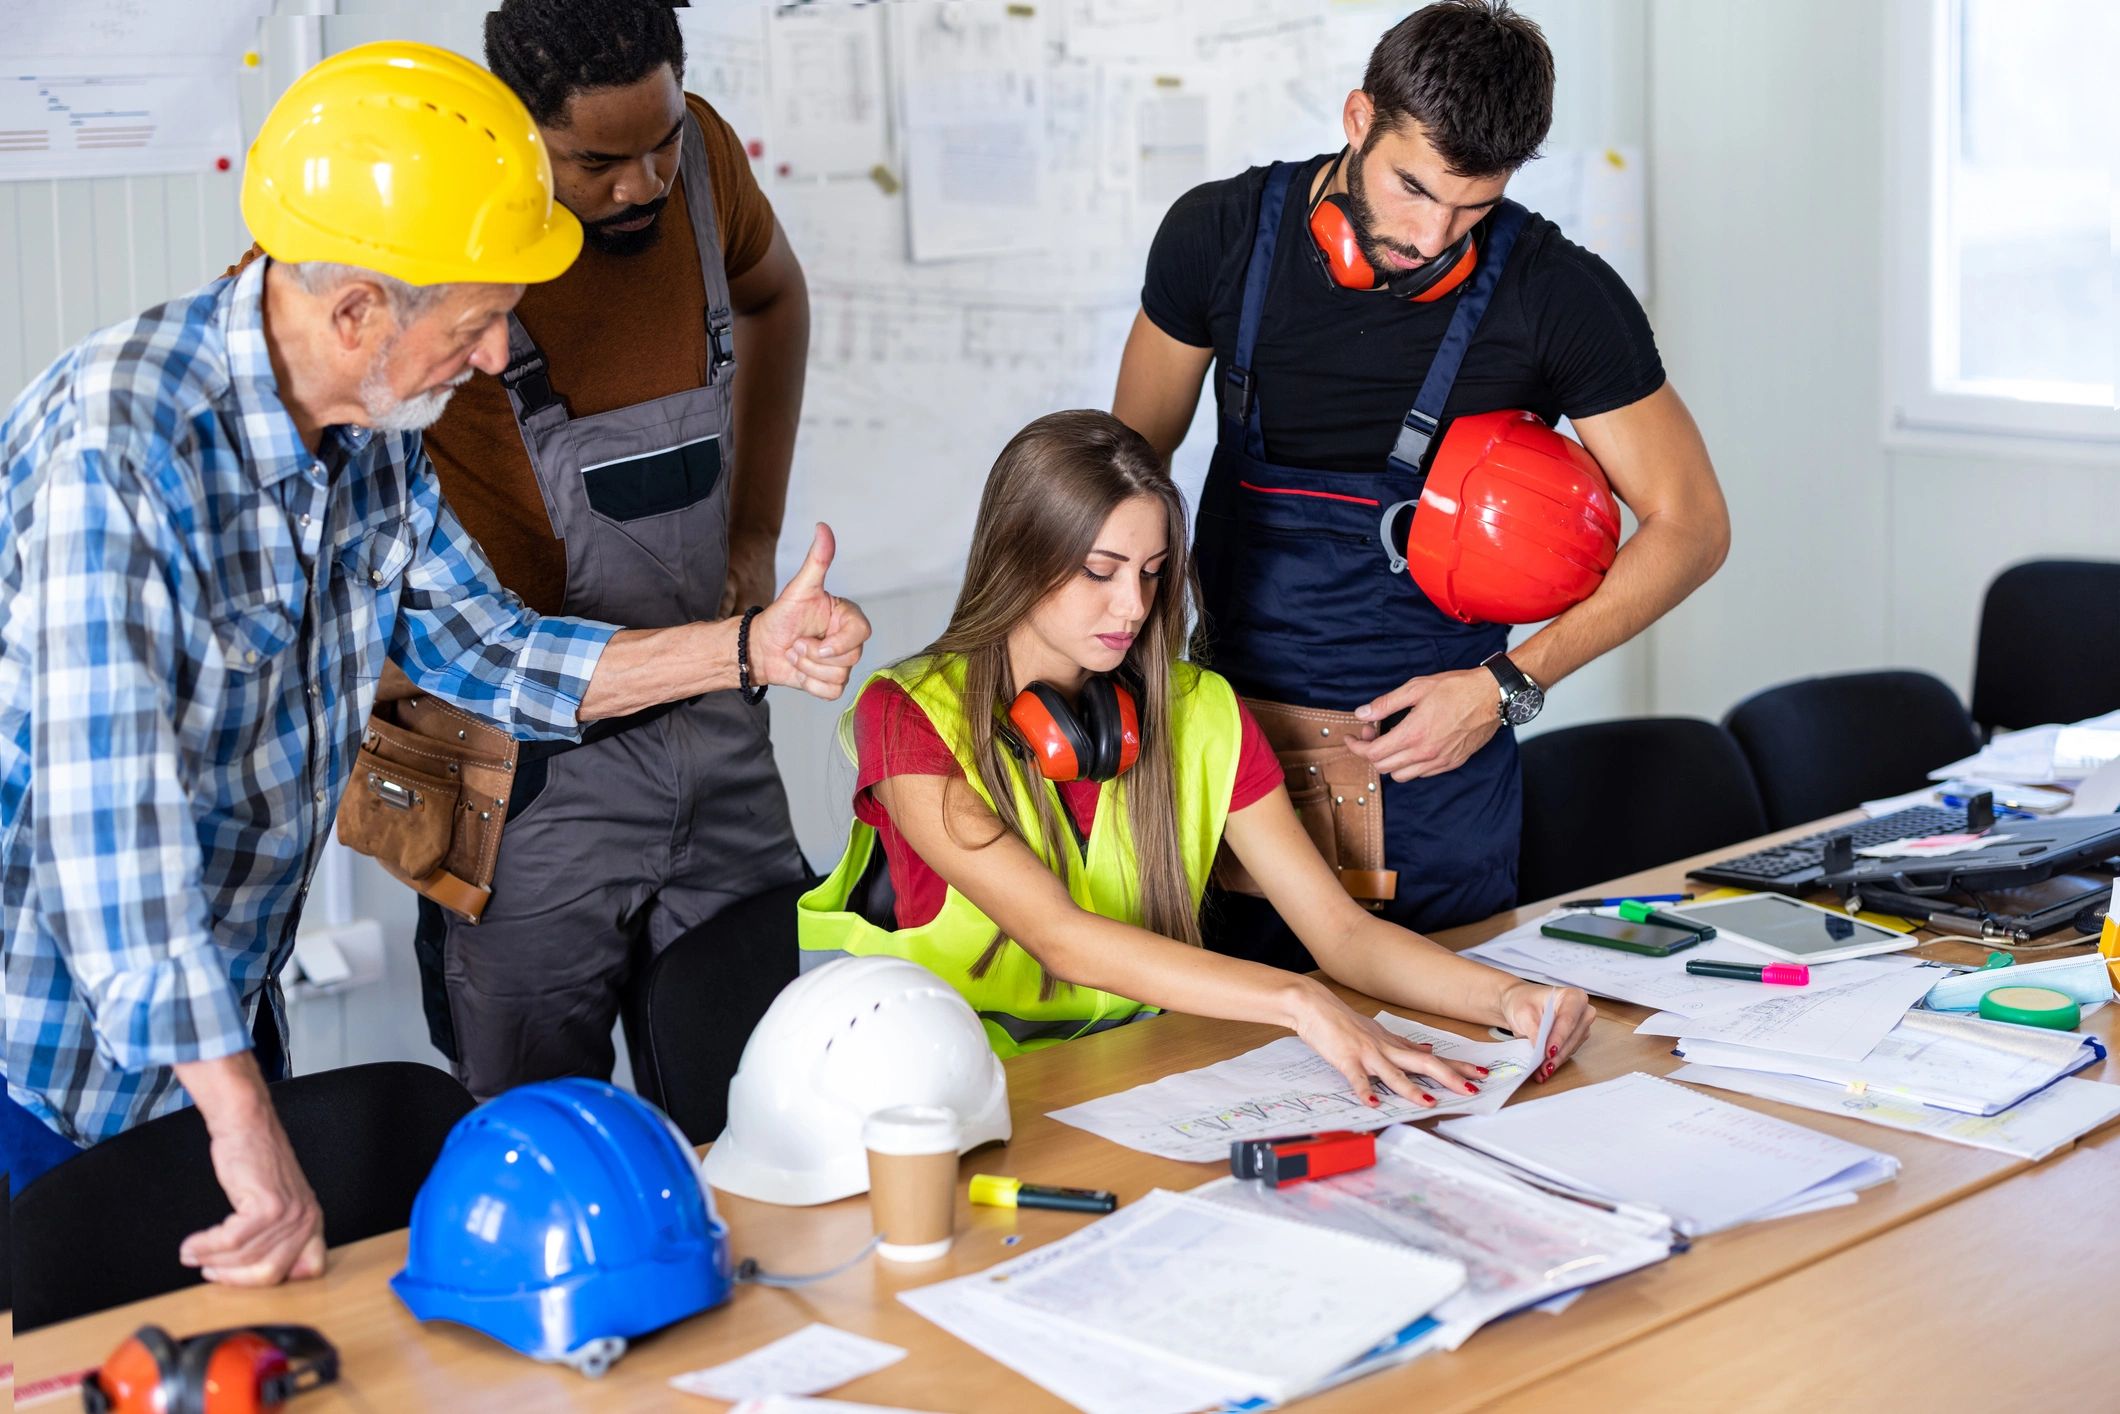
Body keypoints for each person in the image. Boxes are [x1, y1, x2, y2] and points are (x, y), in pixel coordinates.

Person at [0, 42, 867, 1287]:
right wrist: (245, 1125)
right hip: (52, 1065)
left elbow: (487, 649)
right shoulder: (122, 453)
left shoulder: (363, 433)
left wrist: (747, 647)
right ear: (357, 310)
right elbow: (112, 842)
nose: (489, 355)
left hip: (219, 1022)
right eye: (475, 323)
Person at [1112, 1, 1729, 966]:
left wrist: (1508, 686)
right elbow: (1115, 482)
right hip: (1228, 762)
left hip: (1435, 782)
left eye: (1472, 205)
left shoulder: (1557, 296)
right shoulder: (1217, 237)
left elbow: (1691, 525)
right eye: (1412, 188)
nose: (1433, 233)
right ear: (1359, 118)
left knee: (1455, 1068)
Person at [798, 411, 1591, 1105]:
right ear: (1019, 558)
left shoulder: (1201, 711)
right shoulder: (907, 714)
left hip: (1121, 1078)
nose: (1132, 609)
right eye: (1099, 573)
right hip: (933, 1088)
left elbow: (1340, 935)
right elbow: (1060, 938)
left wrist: (1513, 998)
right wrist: (1299, 1002)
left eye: (1150, 576)